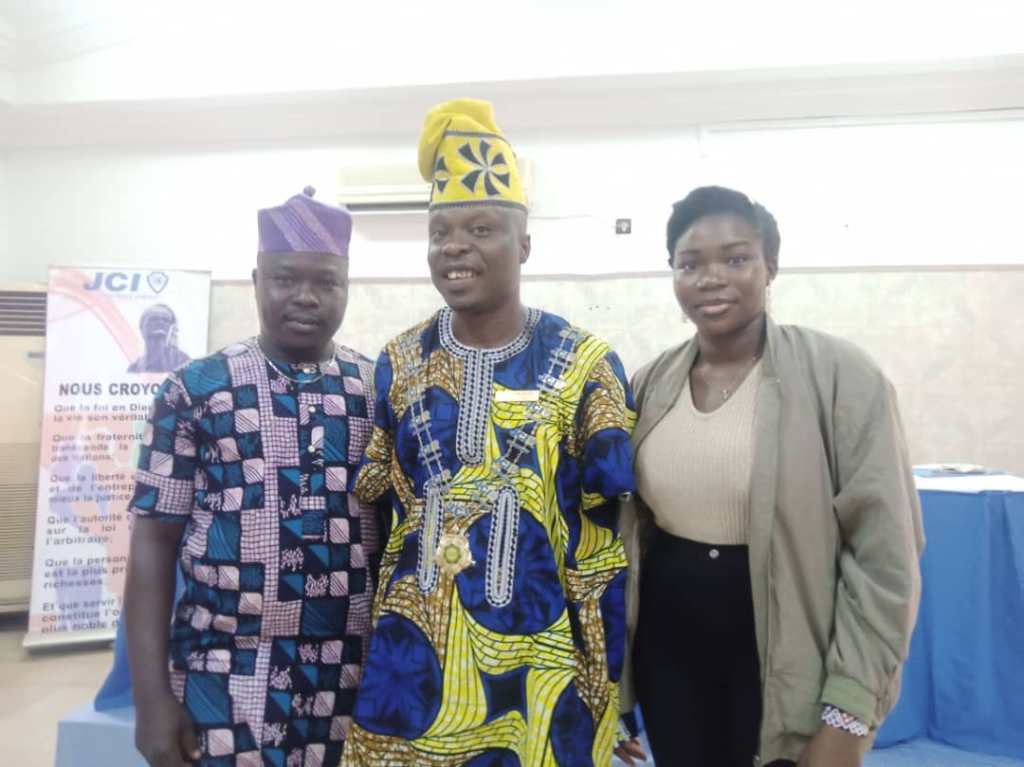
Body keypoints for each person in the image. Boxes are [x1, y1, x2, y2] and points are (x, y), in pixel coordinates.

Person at [341, 99, 641, 766]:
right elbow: (381, 520)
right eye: (440, 231)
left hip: (542, 675)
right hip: (410, 669)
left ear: (524, 243)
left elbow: (605, 550)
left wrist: (609, 689)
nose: (454, 245)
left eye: (481, 228)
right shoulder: (399, 361)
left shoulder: (586, 364)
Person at [615, 186, 924, 767]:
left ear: (770, 266)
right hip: (670, 643)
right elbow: (625, 533)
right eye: (690, 264)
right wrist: (614, 682)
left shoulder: (841, 377)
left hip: (788, 645)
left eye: (736, 258)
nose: (712, 279)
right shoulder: (649, 383)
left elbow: (885, 556)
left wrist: (850, 709)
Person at [123, 188, 383, 767]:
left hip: (351, 677)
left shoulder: (375, 391)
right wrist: (149, 698)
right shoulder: (194, 390)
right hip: (222, 672)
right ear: (256, 280)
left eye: (327, 282)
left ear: (347, 287)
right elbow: (153, 543)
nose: (306, 297)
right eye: (285, 278)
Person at [127, 303, 192, 373]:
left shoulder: (184, 363)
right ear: (142, 328)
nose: (160, 323)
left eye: (165, 320)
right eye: (154, 319)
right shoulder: (135, 367)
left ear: (172, 330)